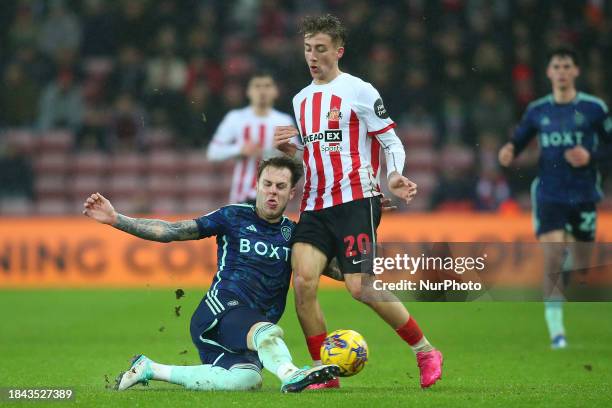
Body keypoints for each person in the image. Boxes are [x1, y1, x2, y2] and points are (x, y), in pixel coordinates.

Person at [273, 14, 443, 389]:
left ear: (338, 51)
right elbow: (315, 155)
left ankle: (425, 350)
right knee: (302, 282)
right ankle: (322, 371)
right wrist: (292, 150)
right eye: (307, 49)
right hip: (314, 204)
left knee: (360, 287)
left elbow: (390, 141)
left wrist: (393, 175)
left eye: (320, 49)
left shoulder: (360, 90)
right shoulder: (301, 100)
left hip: (356, 201)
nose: (312, 56)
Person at [82, 157, 339, 393]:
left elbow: (336, 269)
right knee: (267, 332)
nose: (273, 191)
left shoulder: (294, 234)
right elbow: (172, 230)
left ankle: (150, 368)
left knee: (246, 381)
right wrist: (116, 219)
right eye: (267, 184)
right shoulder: (233, 216)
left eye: (280, 186)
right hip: (220, 312)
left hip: (247, 331)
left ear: (291, 193)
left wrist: (363, 247)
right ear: (257, 185)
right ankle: (292, 374)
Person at [498, 47, 612, 349]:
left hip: (585, 192)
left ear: (576, 71)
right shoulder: (538, 110)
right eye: (556, 66)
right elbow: (519, 138)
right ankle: (557, 333)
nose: (561, 71)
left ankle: (569, 268)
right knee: (553, 253)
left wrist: (590, 155)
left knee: (582, 263)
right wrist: (509, 149)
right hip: (550, 192)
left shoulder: (594, 108)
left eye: (566, 66)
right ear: (549, 73)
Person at [207, 73, 294, 204]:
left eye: (267, 86)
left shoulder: (284, 120)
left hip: (272, 196)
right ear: (248, 91)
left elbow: (297, 158)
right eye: (257, 86)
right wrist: (239, 149)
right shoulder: (235, 118)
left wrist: (274, 151)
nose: (262, 91)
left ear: (275, 91)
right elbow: (213, 153)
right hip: (242, 195)